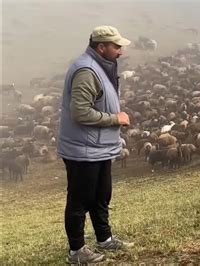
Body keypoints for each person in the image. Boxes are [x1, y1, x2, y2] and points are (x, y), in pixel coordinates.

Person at [57, 25, 133, 264]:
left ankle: (105, 238)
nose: (120, 51)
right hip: (83, 149)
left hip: (98, 147)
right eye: (116, 46)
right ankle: (76, 251)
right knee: (80, 199)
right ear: (101, 47)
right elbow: (80, 113)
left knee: (101, 195)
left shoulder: (100, 67)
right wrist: (115, 119)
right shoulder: (87, 70)